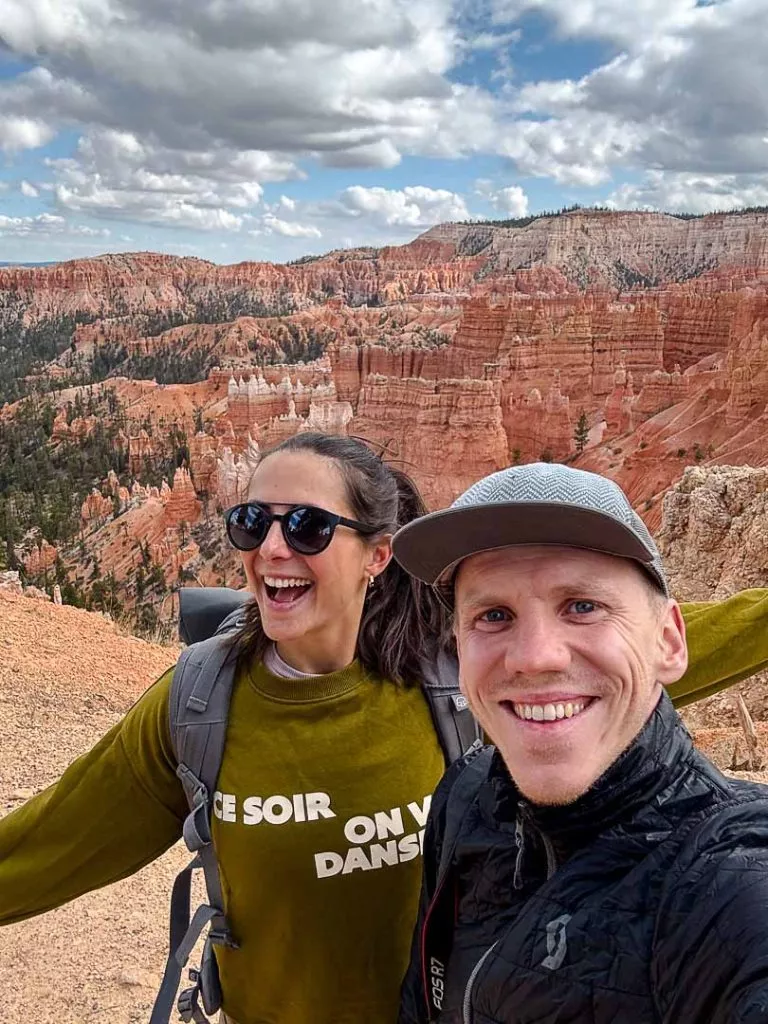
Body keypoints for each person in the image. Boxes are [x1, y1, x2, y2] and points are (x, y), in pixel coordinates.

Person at [1, 438, 768, 1024]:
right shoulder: (197, 704)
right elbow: (49, 843)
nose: (274, 547)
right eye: (251, 523)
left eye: (306, 526)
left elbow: (639, 656)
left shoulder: (463, 672)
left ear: (377, 554)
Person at [393, 461, 768, 1024]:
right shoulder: (466, 795)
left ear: (668, 641)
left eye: (582, 606)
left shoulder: (729, 885)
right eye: (494, 615)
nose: (535, 656)